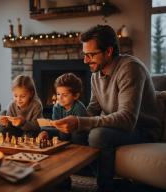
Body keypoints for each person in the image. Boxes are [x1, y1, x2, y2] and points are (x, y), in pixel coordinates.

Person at [52, 25, 162, 191]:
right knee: (75, 131)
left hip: (142, 129)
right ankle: (66, 178)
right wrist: (73, 117)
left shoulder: (130, 68)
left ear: (108, 51)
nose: (85, 60)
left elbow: (127, 119)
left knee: (98, 135)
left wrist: (81, 122)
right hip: (119, 128)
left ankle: (105, 186)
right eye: (85, 55)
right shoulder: (96, 73)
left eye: (91, 55)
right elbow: (93, 108)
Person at [38, 73, 88, 145]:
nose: (60, 98)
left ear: (76, 96)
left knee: (76, 135)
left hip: (76, 132)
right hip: (61, 131)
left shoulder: (79, 108)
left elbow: (82, 128)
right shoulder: (56, 107)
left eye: (64, 95)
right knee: (43, 129)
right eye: (58, 94)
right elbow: (56, 126)